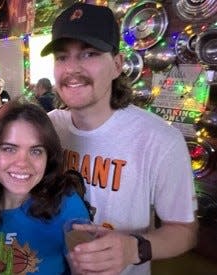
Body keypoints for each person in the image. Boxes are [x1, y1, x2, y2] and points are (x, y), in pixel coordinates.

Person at [40, 3, 198, 275]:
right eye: (62, 57)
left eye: (88, 54)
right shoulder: (46, 127)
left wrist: (133, 249)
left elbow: (184, 230)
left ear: (117, 65)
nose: (71, 69)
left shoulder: (159, 140)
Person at [0, 101, 91, 274]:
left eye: (36, 151)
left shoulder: (66, 203)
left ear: (48, 157)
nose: (22, 163)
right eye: (9, 149)